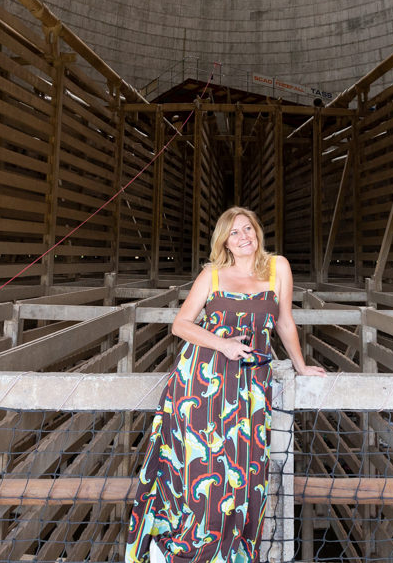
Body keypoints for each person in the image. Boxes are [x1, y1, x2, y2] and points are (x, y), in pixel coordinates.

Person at [125, 206, 326, 563]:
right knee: (201, 470)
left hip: (249, 386)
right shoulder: (212, 275)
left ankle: (229, 553)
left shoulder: (277, 267)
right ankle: (175, 550)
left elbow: (284, 322)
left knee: (244, 472)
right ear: (224, 241)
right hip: (200, 382)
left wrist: (301, 365)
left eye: (248, 229)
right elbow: (181, 325)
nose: (243, 236)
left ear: (258, 232)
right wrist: (224, 344)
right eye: (234, 233)